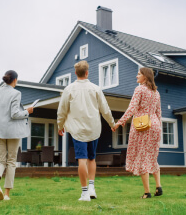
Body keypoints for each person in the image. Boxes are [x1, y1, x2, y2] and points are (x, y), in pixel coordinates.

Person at [57, 60, 115, 201]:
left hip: (78, 131)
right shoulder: (96, 88)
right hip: (93, 129)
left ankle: (84, 193)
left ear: (75, 73)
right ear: (87, 72)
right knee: (91, 158)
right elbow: (105, 109)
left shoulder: (69, 89)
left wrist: (60, 125)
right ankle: (91, 188)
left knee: (82, 160)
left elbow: (62, 110)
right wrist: (112, 123)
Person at [113, 67, 163, 198]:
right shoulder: (156, 93)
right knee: (152, 157)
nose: (136, 76)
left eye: (138, 74)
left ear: (145, 77)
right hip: (155, 125)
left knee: (142, 158)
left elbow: (132, 108)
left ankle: (147, 192)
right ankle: (158, 187)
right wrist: (159, 128)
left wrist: (120, 121)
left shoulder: (140, 89)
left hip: (143, 125)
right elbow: (159, 113)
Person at [0, 70, 34, 201]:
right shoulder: (16, 93)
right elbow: (15, 114)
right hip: (12, 131)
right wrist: (27, 111)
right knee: (11, 161)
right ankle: (7, 194)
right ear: (15, 80)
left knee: (1, 160)